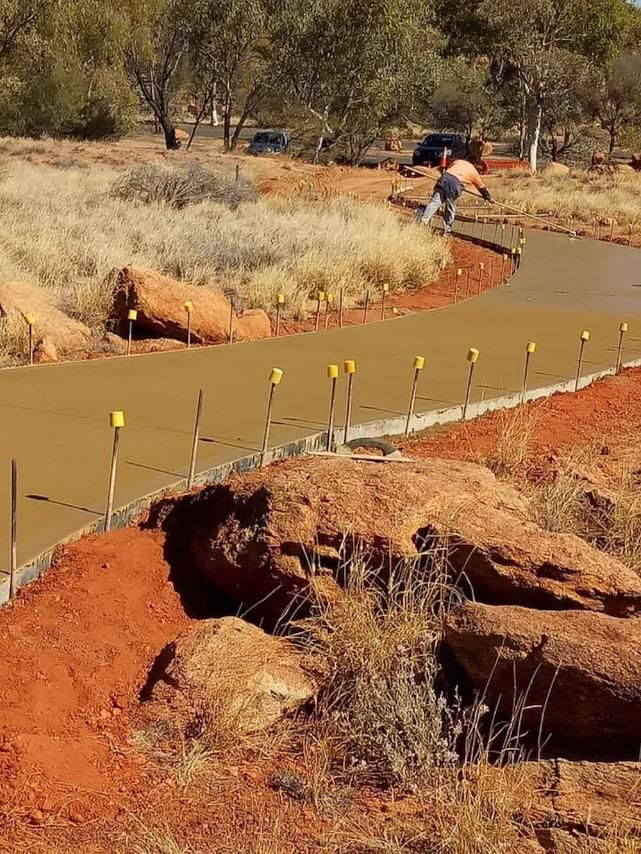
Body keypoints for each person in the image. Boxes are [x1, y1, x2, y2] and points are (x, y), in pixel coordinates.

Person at [421, 156, 492, 234]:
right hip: (455, 184)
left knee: (434, 202)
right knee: (450, 207)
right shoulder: (474, 172)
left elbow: (449, 169)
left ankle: (423, 222)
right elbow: (482, 188)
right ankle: (447, 230)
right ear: (475, 164)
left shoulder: (458, 161)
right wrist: (488, 197)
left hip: (444, 179)